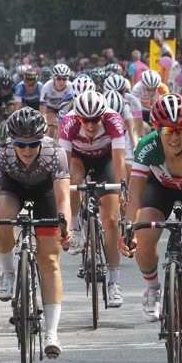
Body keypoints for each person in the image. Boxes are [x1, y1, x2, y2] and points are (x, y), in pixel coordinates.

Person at [118, 94, 182, 363]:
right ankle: (153, 288)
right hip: (159, 189)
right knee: (143, 237)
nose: (174, 137)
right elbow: (136, 196)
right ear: (156, 130)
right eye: (166, 131)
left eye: (180, 130)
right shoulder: (148, 147)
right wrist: (128, 228)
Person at [0, 108, 72, 358]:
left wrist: (66, 228)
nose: (27, 150)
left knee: (49, 260)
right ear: (12, 141)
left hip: (45, 191)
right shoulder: (1, 153)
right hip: (13, 187)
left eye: (33, 144)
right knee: (2, 218)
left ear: (42, 139)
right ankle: (8, 272)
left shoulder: (55, 153)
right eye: (21, 144)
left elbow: (63, 199)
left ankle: (52, 332)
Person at [60, 90, 127, 307]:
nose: (90, 125)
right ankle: (76, 226)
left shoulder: (113, 120)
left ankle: (115, 283)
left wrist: (122, 190)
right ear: (77, 116)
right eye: (85, 120)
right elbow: (63, 167)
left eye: (95, 119)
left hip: (105, 159)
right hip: (79, 159)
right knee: (71, 182)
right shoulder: (68, 122)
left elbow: (119, 161)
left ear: (103, 116)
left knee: (110, 220)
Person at [131, 70, 168, 137]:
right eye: (148, 89)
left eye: (154, 89)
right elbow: (131, 107)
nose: (151, 93)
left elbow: (167, 108)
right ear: (143, 87)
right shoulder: (137, 88)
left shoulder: (163, 88)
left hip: (156, 111)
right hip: (142, 112)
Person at [39, 64, 72, 138]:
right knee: (52, 125)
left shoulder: (71, 87)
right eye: (58, 78)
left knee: (64, 126)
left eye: (64, 79)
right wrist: (44, 123)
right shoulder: (46, 87)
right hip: (51, 108)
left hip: (65, 108)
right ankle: (48, 143)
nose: (61, 82)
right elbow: (42, 110)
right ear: (53, 78)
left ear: (68, 79)